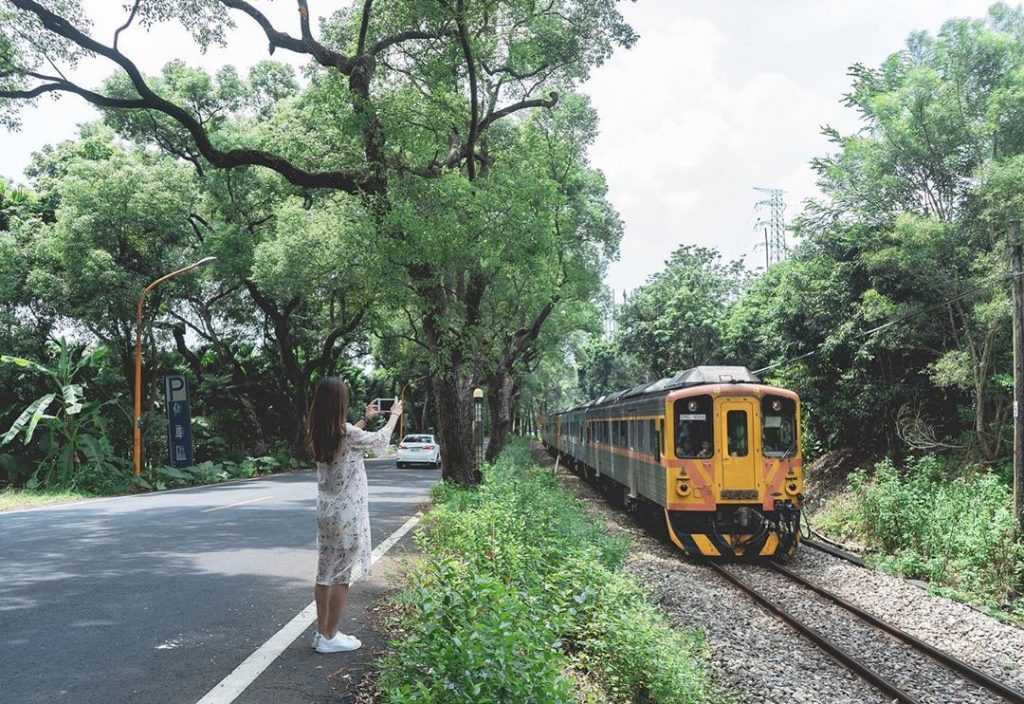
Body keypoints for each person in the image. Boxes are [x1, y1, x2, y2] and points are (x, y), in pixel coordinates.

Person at [305, 377, 403, 654]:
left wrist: (365, 419)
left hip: (327, 512)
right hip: (347, 513)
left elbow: (346, 440)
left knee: (324, 572)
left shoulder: (320, 431)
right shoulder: (346, 433)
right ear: (339, 403)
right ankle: (331, 636)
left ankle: (321, 633)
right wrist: (393, 416)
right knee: (341, 576)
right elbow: (381, 443)